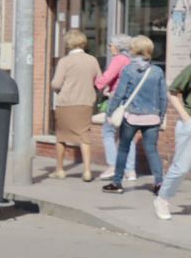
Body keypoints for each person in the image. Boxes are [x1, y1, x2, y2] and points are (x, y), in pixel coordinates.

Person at [101, 36, 166, 194]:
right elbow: (163, 97)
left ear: (134, 49)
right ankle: (159, 183)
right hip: (152, 118)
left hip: (131, 116)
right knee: (152, 150)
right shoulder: (157, 71)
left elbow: (119, 94)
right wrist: (161, 117)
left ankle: (117, 183)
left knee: (123, 148)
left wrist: (110, 112)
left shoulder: (129, 70)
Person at [49, 29, 101, 181]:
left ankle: (60, 169)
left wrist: (58, 88)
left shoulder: (65, 61)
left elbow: (56, 83)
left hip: (66, 103)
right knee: (84, 135)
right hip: (85, 102)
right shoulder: (92, 60)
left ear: (68, 43)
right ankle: (87, 171)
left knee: (61, 137)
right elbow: (100, 80)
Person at [97, 35, 138, 184]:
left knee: (108, 132)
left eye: (111, 44)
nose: (109, 47)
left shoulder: (120, 59)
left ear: (118, 46)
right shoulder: (132, 59)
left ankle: (113, 165)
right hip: (130, 101)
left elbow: (108, 76)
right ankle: (130, 170)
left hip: (117, 99)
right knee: (128, 135)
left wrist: (97, 83)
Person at [152, 62, 191, 219]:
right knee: (181, 167)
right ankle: (162, 198)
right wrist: (186, 118)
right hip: (189, 123)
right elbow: (172, 92)